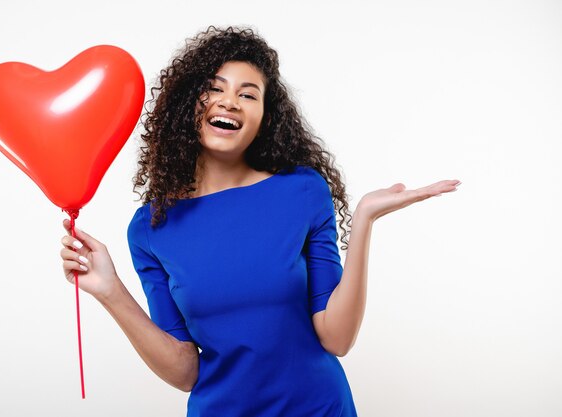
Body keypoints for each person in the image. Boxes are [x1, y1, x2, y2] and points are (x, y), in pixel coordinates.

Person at [59, 25, 460, 416]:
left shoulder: (302, 191)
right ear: (187, 104)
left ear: (265, 116)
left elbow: (337, 338)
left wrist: (364, 221)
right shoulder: (151, 226)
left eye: (247, 95)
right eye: (214, 88)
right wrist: (110, 291)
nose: (230, 101)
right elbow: (184, 371)